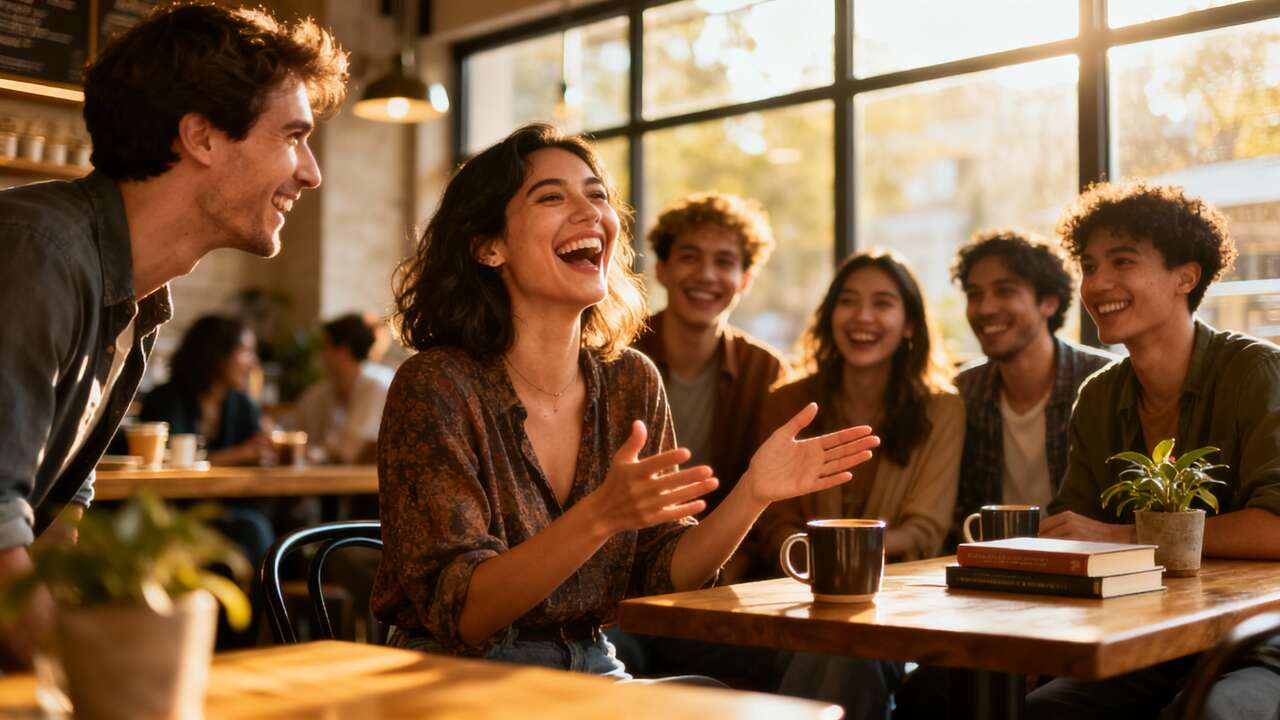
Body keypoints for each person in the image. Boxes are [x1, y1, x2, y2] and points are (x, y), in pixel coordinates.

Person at [371, 124, 880, 678]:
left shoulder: (631, 378)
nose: (591, 212)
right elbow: (465, 613)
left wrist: (753, 493)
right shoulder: (437, 385)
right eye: (551, 196)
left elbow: (666, 571)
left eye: (597, 195)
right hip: (457, 673)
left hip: (592, 659)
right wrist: (601, 516)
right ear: (489, 246)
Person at [0, 3, 346, 667]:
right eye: (293, 137)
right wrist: (82, 683)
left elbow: (60, 509)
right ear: (203, 138)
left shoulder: (138, 297)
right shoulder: (38, 254)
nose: (311, 172)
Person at [1027, 182, 1280, 718]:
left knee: (1212, 714)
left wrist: (1123, 537)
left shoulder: (1253, 372)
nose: (1098, 284)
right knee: (1045, 709)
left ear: (1186, 276)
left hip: (1262, 642)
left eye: (1122, 262)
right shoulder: (1099, 396)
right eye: (1090, 266)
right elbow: (1077, 531)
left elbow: (1276, 527)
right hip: (1149, 640)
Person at [756, 250, 963, 719]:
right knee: (830, 649)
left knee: (851, 652)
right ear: (831, 317)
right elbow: (773, 516)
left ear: (909, 323)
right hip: (794, 592)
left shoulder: (942, 409)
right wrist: (814, 565)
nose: (863, 317)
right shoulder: (789, 401)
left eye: (884, 303)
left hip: (896, 600)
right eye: (848, 302)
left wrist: (847, 562)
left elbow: (925, 528)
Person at [610, 192, 789, 686]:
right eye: (689, 257)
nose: (706, 276)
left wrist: (731, 568)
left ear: (745, 280)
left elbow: (770, 496)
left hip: (724, 580)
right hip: (621, 583)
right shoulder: (616, 357)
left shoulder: (765, 370)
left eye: (724, 262)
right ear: (663, 270)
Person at [948, 230, 1113, 546]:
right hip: (996, 567)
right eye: (974, 294)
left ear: (1048, 302)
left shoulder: (1101, 381)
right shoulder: (966, 391)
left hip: (1085, 563)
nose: (985, 308)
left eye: (1004, 291)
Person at [140, 315, 272, 466]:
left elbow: (261, 452)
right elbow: (171, 462)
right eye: (246, 352)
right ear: (217, 354)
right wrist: (239, 455)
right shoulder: (165, 401)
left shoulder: (243, 405)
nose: (254, 363)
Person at [290, 313, 393, 465]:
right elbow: (293, 433)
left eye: (325, 347)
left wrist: (317, 454)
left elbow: (349, 450)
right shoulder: (317, 394)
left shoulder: (377, 386)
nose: (321, 355)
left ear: (343, 350)